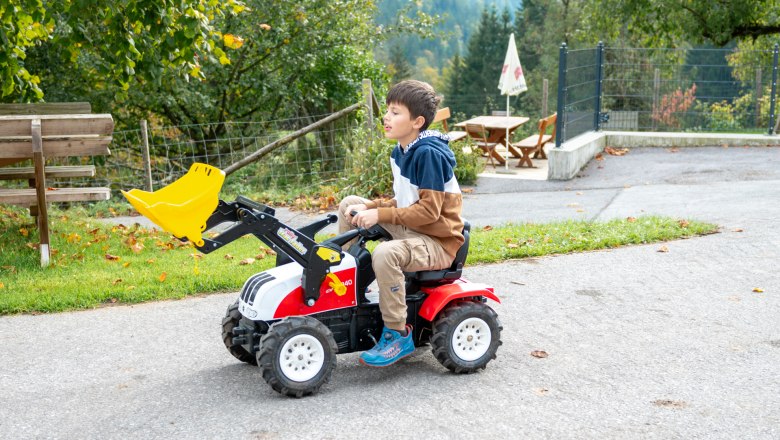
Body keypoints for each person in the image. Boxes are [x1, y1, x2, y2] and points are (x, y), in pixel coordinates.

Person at [337, 80, 464, 367]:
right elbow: (403, 201)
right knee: (349, 204)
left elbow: (429, 213)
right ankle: (342, 284)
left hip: (438, 241)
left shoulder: (428, 154)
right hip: (414, 228)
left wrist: (379, 215)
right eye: (388, 111)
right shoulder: (401, 151)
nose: (386, 117)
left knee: (385, 253)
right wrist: (369, 207)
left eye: (395, 112)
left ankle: (397, 332)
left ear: (417, 122)